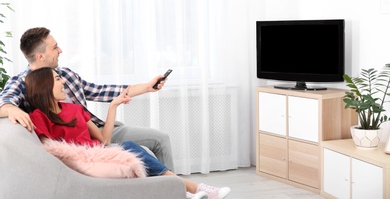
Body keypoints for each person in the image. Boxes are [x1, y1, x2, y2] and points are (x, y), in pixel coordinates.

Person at [25, 67, 231, 199]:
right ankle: (189, 188)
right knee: (132, 149)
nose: (63, 82)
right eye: (58, 79)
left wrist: (113, 106)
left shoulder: (75, 109)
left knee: (136, 151)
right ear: (45, 86)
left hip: (101, 154)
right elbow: (50, 152)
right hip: (85, 163)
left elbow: (104, 140)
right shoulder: (38, 117)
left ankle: (185, 190)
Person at [0, 27, 174, 171]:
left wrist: (147, 87)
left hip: (98, 129)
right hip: (81, 145)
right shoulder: (22, 82)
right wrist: (11, 108)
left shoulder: (66, 74)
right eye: (55, 47)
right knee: (137, 151)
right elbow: (4, 102)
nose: (60, 50)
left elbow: (101, 91)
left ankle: (171, 189)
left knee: (160, 139)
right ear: (40, 56)